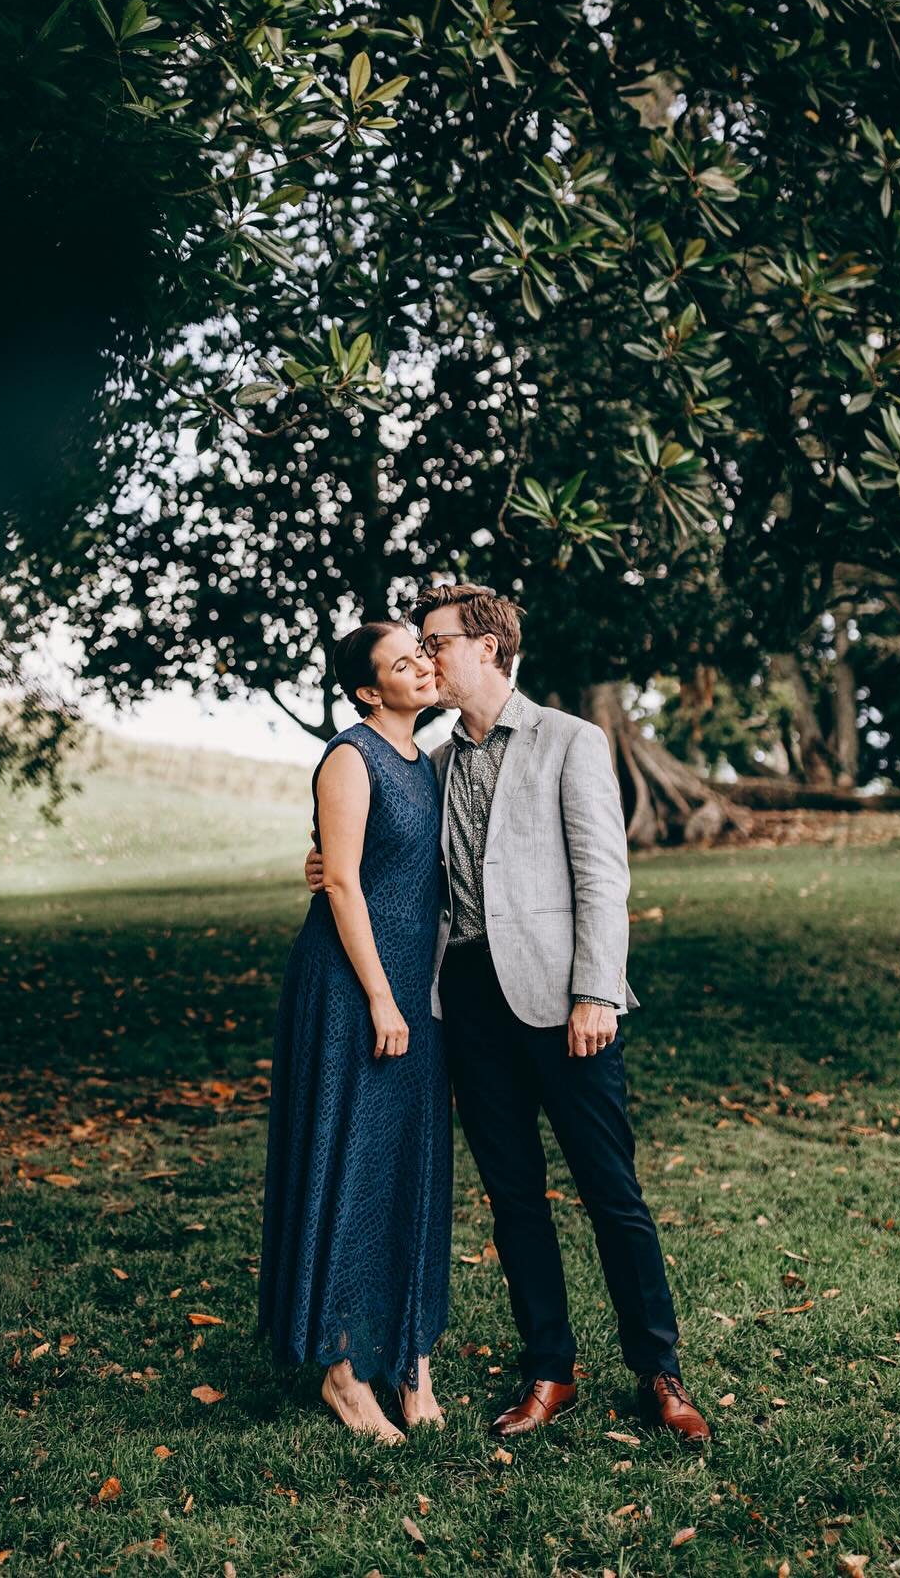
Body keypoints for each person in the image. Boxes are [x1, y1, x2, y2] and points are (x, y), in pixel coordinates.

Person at [305, 584, 712, 1444]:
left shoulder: (572, 740)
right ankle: (549, 1370)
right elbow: (388, 853)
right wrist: (325, 863)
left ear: (486, 646)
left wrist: (597, 991)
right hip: (468, 1006)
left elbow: (604, 877)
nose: (427, 655)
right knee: (514, 1198)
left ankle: (659, 1370)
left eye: (438, 641)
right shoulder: (436, 760)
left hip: (566, 1001)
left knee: (613, 1194)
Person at [259, 622, 452, 1445]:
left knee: (409, 1164)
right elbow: (339, 878)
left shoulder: (427, 761)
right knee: (353, 1161)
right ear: (370, 690)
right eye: (404, 662)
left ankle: (409, 1356)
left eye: (422, 654)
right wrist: (379, 997)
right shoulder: (350, 756)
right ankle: (343, 1373)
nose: (422, 666)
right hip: (351, 989)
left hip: (418, 988)